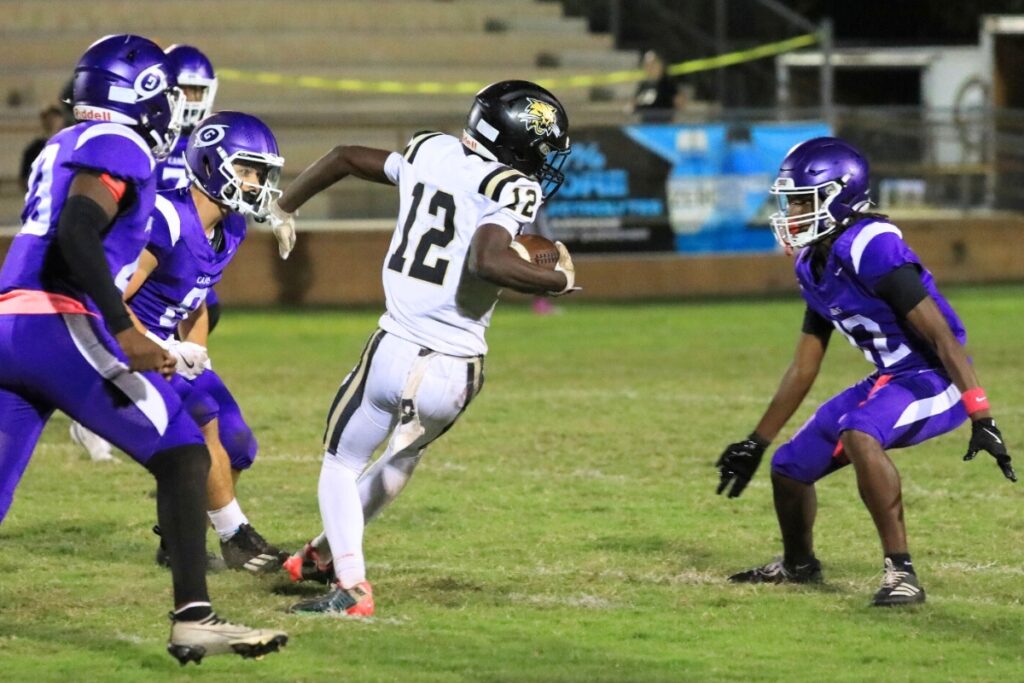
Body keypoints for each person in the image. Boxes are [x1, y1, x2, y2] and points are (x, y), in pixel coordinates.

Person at [0, 34, 286, 663]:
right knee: (183, 452)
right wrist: (123, 329)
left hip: (7, 322)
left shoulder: (61, 143)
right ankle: (194, 617)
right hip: (57, 319)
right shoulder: (121, 144)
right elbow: (78, 230)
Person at [267, 80, 578, 615]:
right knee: (403, 454)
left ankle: (352, 585)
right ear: (513, 141)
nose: (542, 161)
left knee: (342, 463)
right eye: (540, 147)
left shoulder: (430, 149)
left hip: (397, 348)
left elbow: (344, 157)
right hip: (455, 374)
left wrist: (284, 205)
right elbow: (491, 259)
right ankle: (321, 556)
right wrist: (557, 279)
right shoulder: (512, 187)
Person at [715, 137, 1015, 607]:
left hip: (936, 379)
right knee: (789, 468)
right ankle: (799, 566)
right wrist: (757, 441)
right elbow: (804, 364)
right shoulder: (811, 262)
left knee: (859, 431)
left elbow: (942, 338)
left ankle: (903, 574)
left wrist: (981, 414)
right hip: (890, 379)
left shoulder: (871, 245)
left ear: (840, 196)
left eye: (801, 201)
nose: (792, 212)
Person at [123, 111, 289, 574]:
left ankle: (178, 540)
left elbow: (195, 298)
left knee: (238, 445)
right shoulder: (168, 218)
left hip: (169, 352)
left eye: (261, 173)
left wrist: (197, 352)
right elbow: (110, 297)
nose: (256, 183)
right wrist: (159, 348)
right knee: (205, 430)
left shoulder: (231, 227)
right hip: (130, 349)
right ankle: (236, 536)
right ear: (213, 166)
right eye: (247, 170)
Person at [70, 43, 224, 463]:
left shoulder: (203, 141)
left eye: (197, 91)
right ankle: (101, 393)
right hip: (141, 241)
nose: (190, 102)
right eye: (184, 91)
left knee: (205, 307)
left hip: (180, 246)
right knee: (116, 310)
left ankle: (177, 376)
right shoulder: (147, 137)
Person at [19, 104, 68, 192]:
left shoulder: (68, 146)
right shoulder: (33, 149)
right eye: (49, 118)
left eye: (54, 118)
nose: (52, 122)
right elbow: (23, 178)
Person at [632, 50, 684, 123]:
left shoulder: (668, 83)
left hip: (663, 125)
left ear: (660, 65)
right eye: (647, 65)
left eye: (653, 65)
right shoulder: (643, 85)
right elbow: (636, 104)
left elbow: (679, 103)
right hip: (645, 125)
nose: (649, 68)